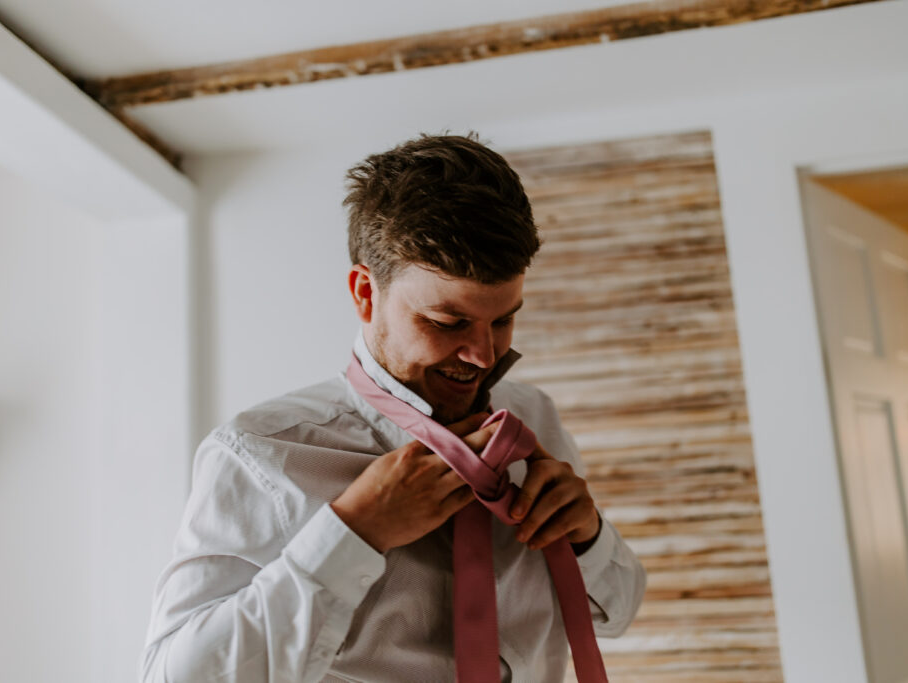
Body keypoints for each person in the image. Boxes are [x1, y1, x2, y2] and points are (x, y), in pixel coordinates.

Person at [141, 133, 646, 683]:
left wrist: (588, 534)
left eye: (503, 320)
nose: (484, 355)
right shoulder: (259, 455)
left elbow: (618, 612)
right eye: (447, 322)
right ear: (365, 293)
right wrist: (354, 531)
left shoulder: (532, 415)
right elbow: (174, 676)